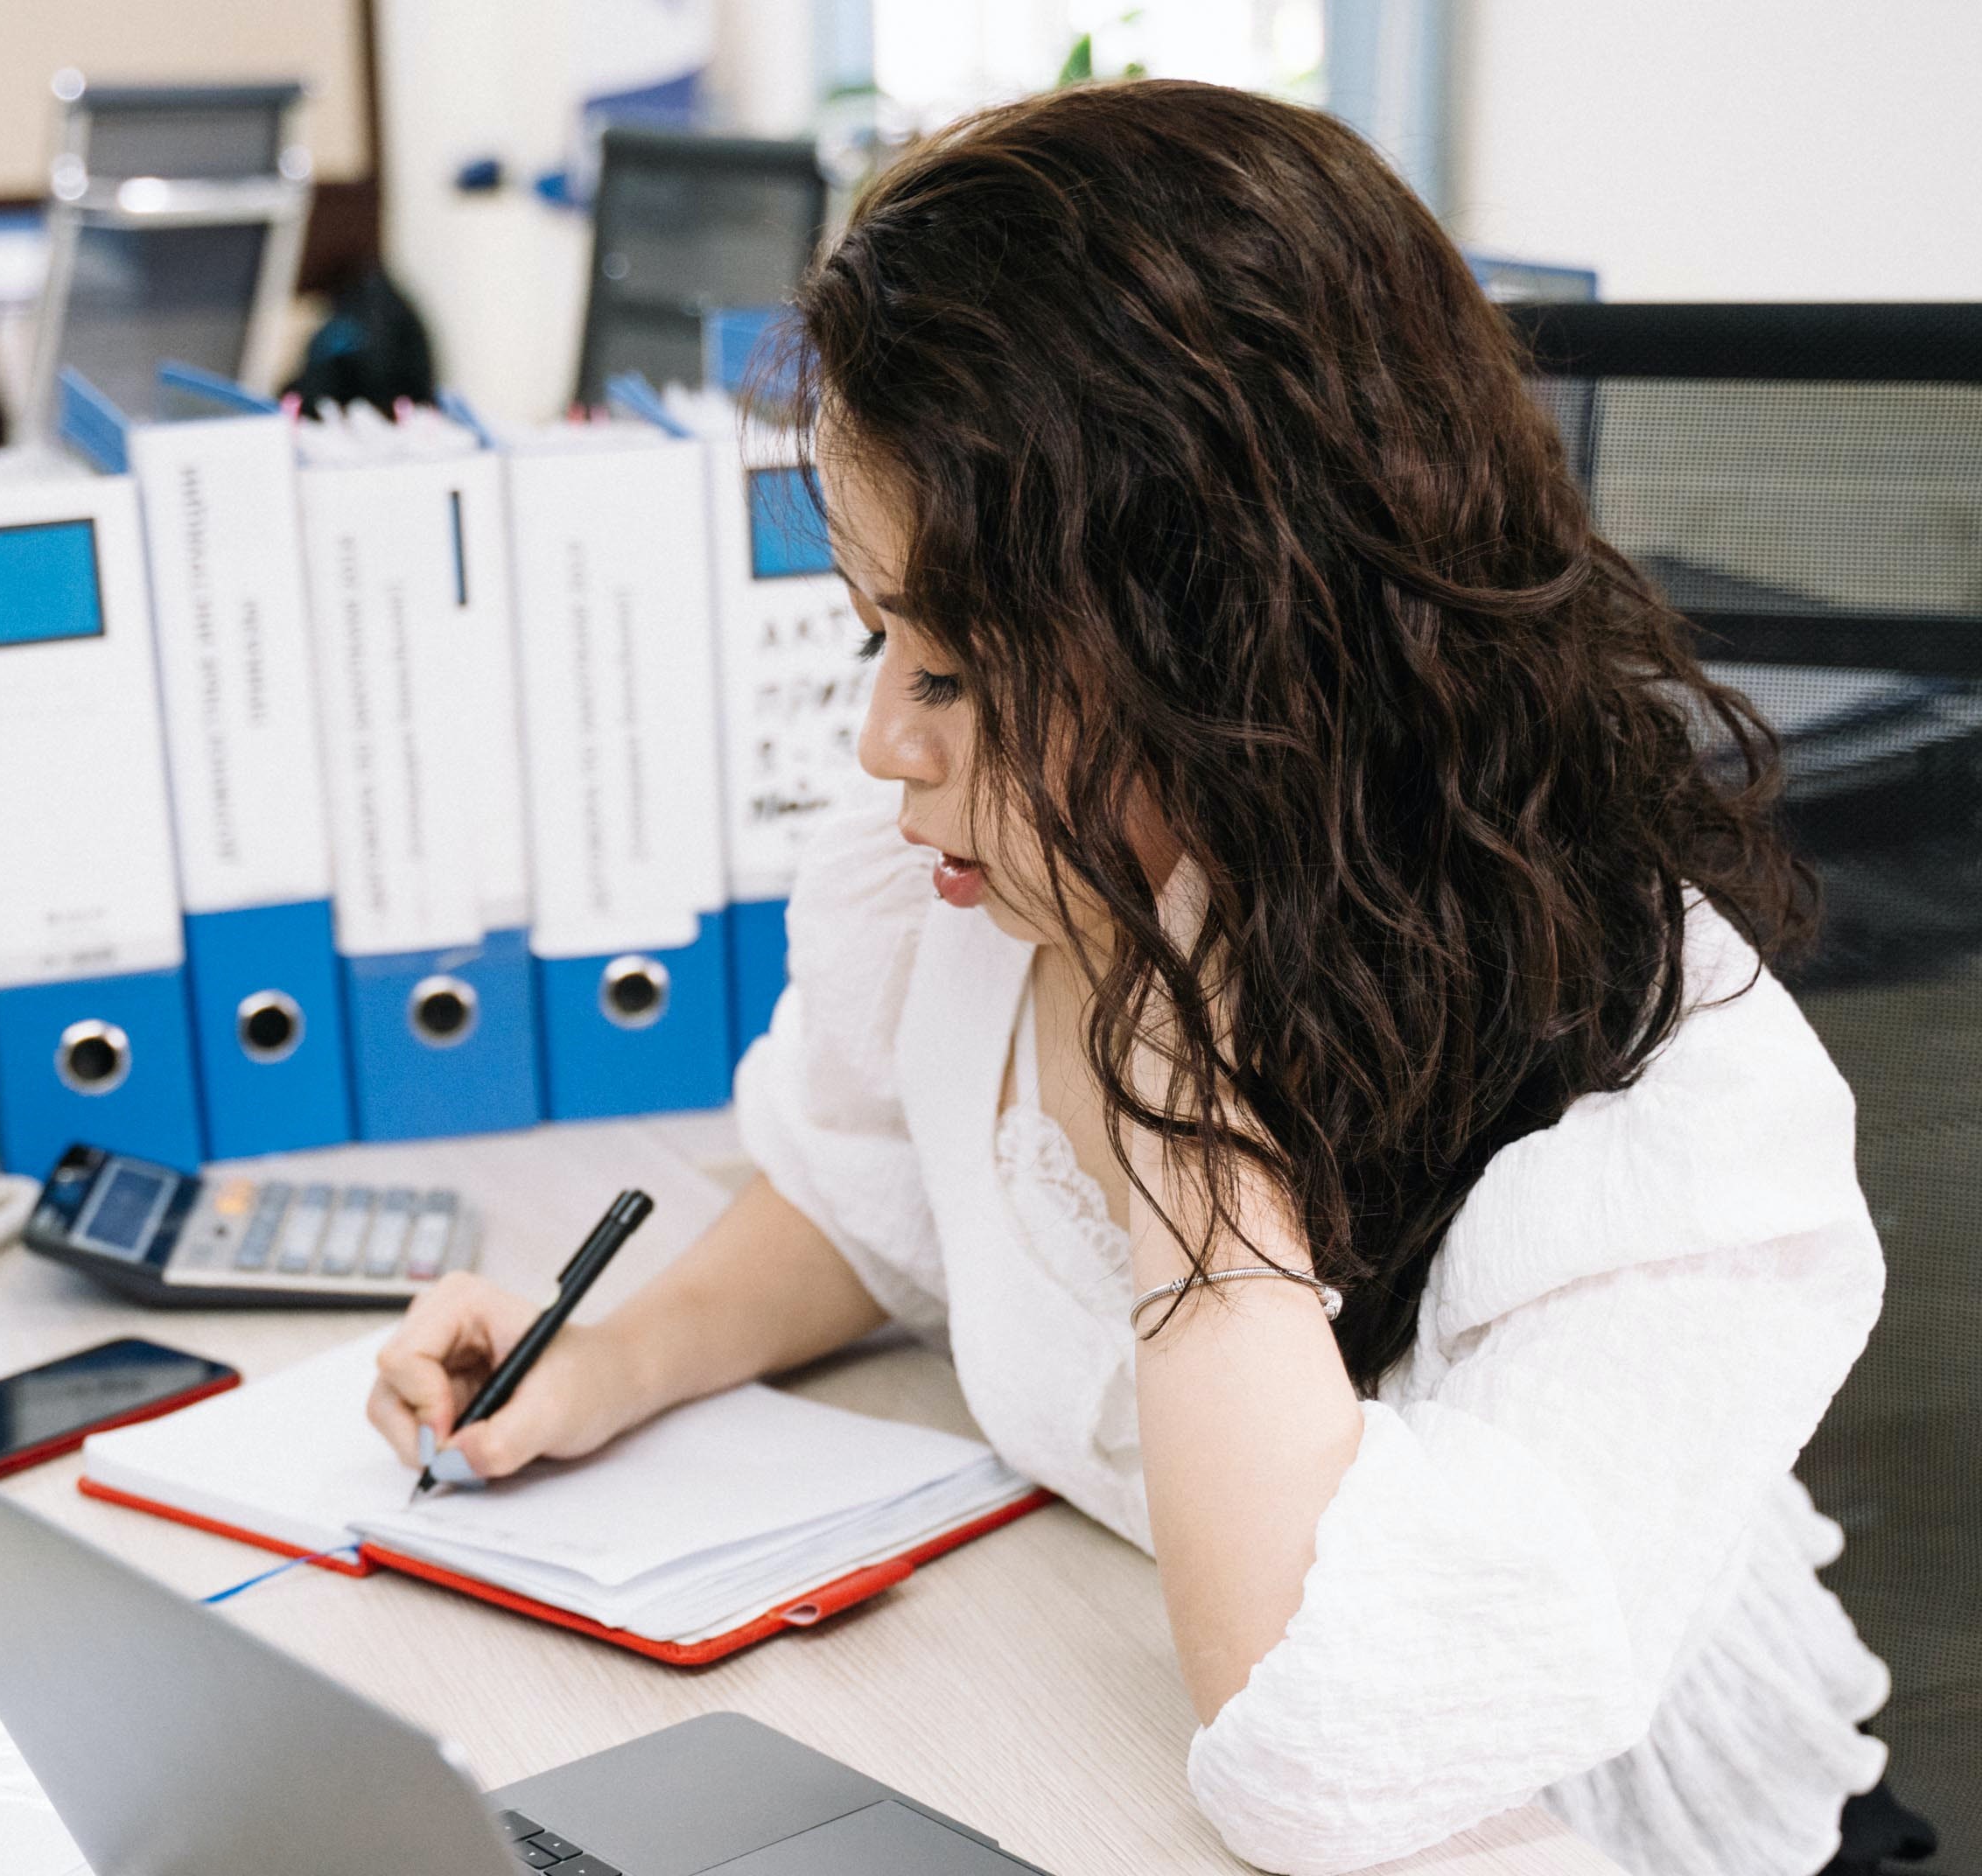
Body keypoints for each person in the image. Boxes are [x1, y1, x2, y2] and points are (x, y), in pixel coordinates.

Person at [368, 80, 1910, 1876]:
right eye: (881, 638)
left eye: (955, 671)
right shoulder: (972, 888)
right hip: (1107, 1721)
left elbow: (1331, 1749)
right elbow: (884, 1200)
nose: (881, 740)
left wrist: (1189, 1111)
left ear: (1242, 648)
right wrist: (608, 1362)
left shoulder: (1674, 1118)